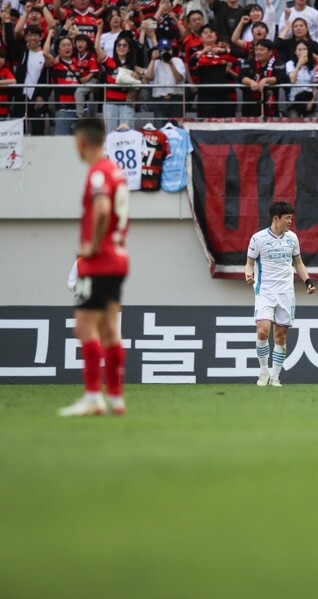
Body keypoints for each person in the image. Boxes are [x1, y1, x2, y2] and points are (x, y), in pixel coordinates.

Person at [59, 118, 130, 417]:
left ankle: (92, 397)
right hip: (119, 259)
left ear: (81, 142)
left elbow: (101, 209)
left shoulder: (98, 173)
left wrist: (92, 245)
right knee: (110, 330)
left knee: (84, 327)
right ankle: (115, 397)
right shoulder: (116, 171)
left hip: (99, 261)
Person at [244, 201, 316, 388]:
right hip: (265, 291)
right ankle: (263, 373)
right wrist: (248, 275)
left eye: (291, 218)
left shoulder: (292, 238)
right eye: (287, 218)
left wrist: (308, 281)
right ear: (276, 218)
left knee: (281, 336)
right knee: (262, 330)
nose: (290, 221)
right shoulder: (258, 239)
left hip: (285, 292)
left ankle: (275, 377)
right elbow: (249, 263)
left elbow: (298, 263)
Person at [239, 38, 286, 119]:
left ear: (270, 52)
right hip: (250, 104)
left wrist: (266, 80)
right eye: (257, 50)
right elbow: (241, 76)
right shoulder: (249, 62)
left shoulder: (278, 63)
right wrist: (250, 82)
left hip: (270, 103)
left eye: (262, 50)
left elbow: (281, 77)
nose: (258, 52)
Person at [145, 38, 186, 126]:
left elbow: (179, 79)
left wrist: (170, 63)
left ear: (171, 50)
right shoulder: (156, 63)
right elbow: (148, 77)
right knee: (160, 127)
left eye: (168, 50)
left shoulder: (178, 61)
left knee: (177, 128)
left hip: (175, 99)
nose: (166, 52)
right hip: (159, 100)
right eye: (163, 50)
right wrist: (152, 59)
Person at [285, 39, 318, 118]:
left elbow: (315, 86)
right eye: (299, 50)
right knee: (293, 120)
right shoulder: (290, 64)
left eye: (304, 49)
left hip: (308, 98)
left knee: (311, 121)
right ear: (295, 52)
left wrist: (312, 101)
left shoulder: (313, 66)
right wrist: (299, 64)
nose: (302, 52)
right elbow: (293, 80)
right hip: (294, 100)